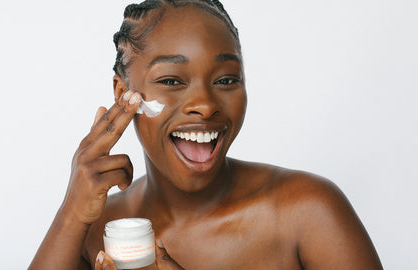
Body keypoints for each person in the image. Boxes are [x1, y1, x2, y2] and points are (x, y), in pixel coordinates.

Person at [30, 0, 383, 269]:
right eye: (171, 80)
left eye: (226, 79)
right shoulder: (100, 229)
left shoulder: (305, 212)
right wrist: (71, 216)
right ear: (123, 93)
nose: (204, 104)